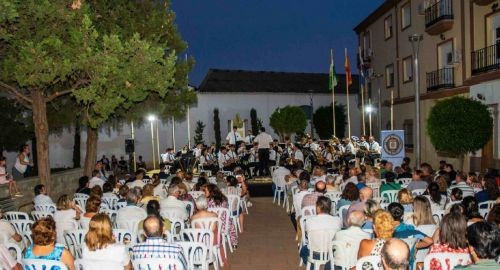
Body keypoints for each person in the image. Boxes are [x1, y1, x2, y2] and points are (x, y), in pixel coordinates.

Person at [299, 196, 342, 269]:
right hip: (331, 253)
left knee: (303, 250)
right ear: (330, 208)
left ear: (318, 208)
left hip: (315, 254)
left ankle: (313, 266)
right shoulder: (337, 220)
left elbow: (307, 235)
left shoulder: (309, 221)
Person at [204, 184, 238, 248]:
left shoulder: (209, 202)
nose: (204, 193)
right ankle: (234, 243)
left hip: (214, 226)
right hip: (225, 226)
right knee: (230, 222)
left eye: (205, 191)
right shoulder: (224, 199)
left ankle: (209, 242)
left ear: (211, 192)